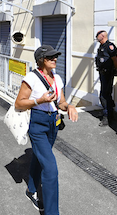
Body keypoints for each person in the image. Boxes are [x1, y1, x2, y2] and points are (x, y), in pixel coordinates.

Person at [14, 45, 78, 214]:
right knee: (50, 169)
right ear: (41, 60)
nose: (55, 59)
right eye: (50, 57)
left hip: (53, 123)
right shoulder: (32, 78)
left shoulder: (57, 78)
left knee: (38, 156)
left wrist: (69, 106)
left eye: (55, 56)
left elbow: (61, 102)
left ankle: (31, 189)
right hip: (37, 123)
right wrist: (39, 101)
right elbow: (19, 103)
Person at [95, 30, 117, 126]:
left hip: (108, 73)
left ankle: (106, 116)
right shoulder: (102, 46)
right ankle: (110, 114)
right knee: (106, 94)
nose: (96, 37)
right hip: (102, 73)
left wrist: (115, 70)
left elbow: (115, 60)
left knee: (104, 95)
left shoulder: (110, 46)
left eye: (98, 35)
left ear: (102, 36)